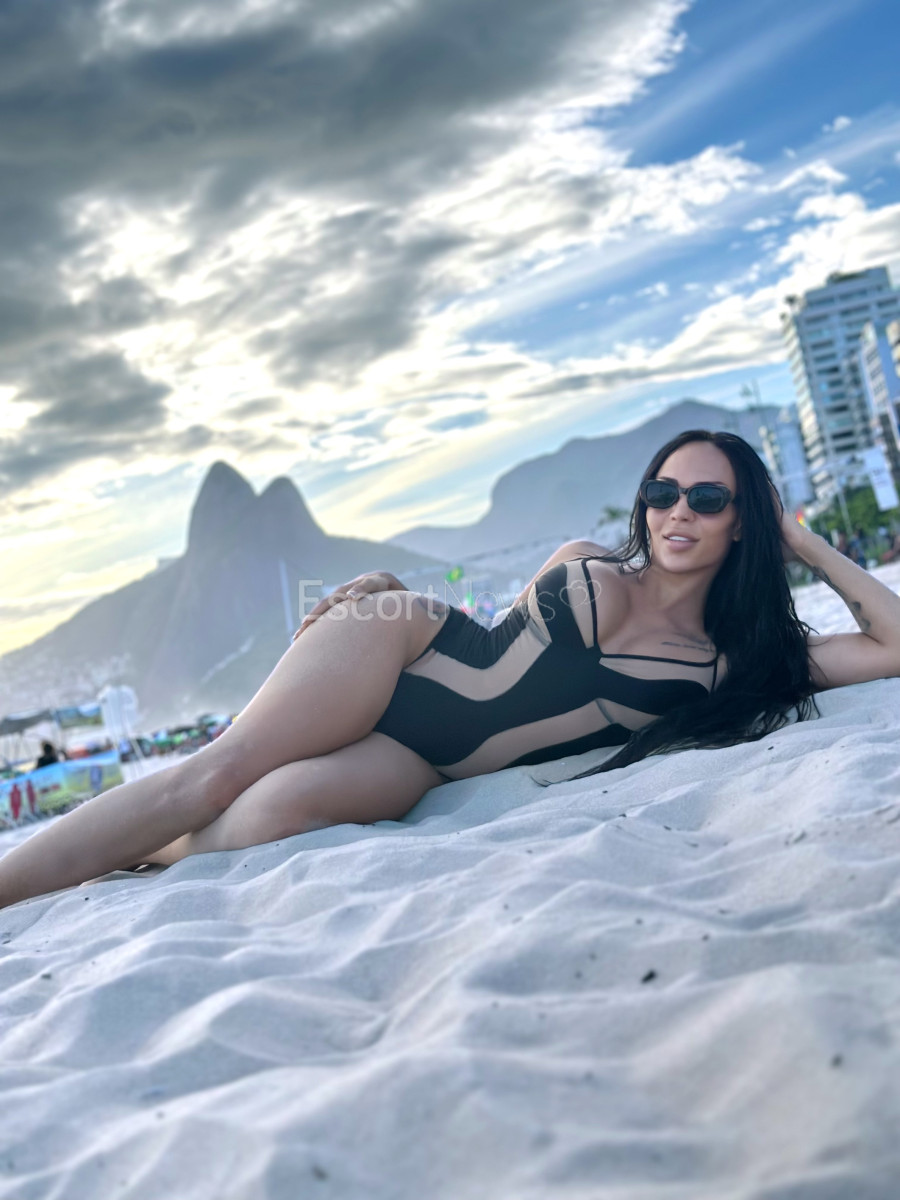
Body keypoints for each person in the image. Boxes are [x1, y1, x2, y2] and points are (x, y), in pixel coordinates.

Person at [2, 430, 900, 909]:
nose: (677, 511)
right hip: (402, 646)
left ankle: (115, 852)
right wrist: (385, 596)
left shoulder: (735, 664)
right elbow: (495, 635)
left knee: (265, 819)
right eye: (662, 491)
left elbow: (891, 645)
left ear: (743, 521)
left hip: (426, 763)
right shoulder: (587, 557)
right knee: (211, 777)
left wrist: (803, 540)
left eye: (707, 499)